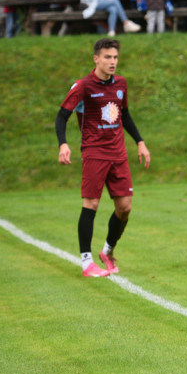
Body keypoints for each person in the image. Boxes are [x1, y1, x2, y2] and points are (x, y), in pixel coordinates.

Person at [56, 38, 151, 278]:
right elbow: (61, 117)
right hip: (94, 152)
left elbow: (125, 115)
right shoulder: (83, 86)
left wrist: (140, 142)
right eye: (107, 57)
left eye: (115, 57)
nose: (112, 62)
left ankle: (107, 252)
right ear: (96, 59)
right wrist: (63, 144)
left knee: (125, 207)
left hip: (118, 153)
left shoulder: (121, 83)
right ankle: (87, 262)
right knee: (92, 204)